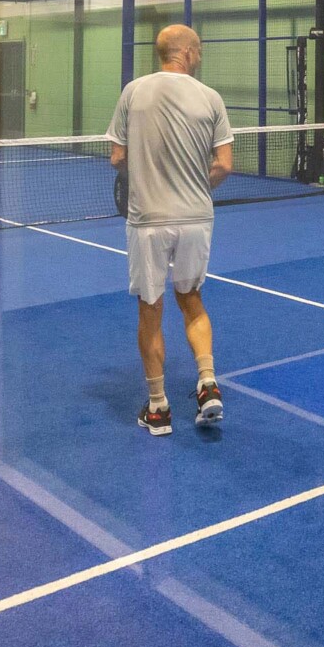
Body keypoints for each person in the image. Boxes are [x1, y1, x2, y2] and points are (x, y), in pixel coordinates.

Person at [107, 24, 234, 435]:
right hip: (197, 217)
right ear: (190, 53)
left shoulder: (133, 91)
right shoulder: (210, 98)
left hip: (148, 221)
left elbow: (116, 157)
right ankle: (208, 382)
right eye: (200, 51)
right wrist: (197, 185)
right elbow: (224, 165)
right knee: (192, 300)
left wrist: (143, 176)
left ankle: (158, 407)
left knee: (151, 309)